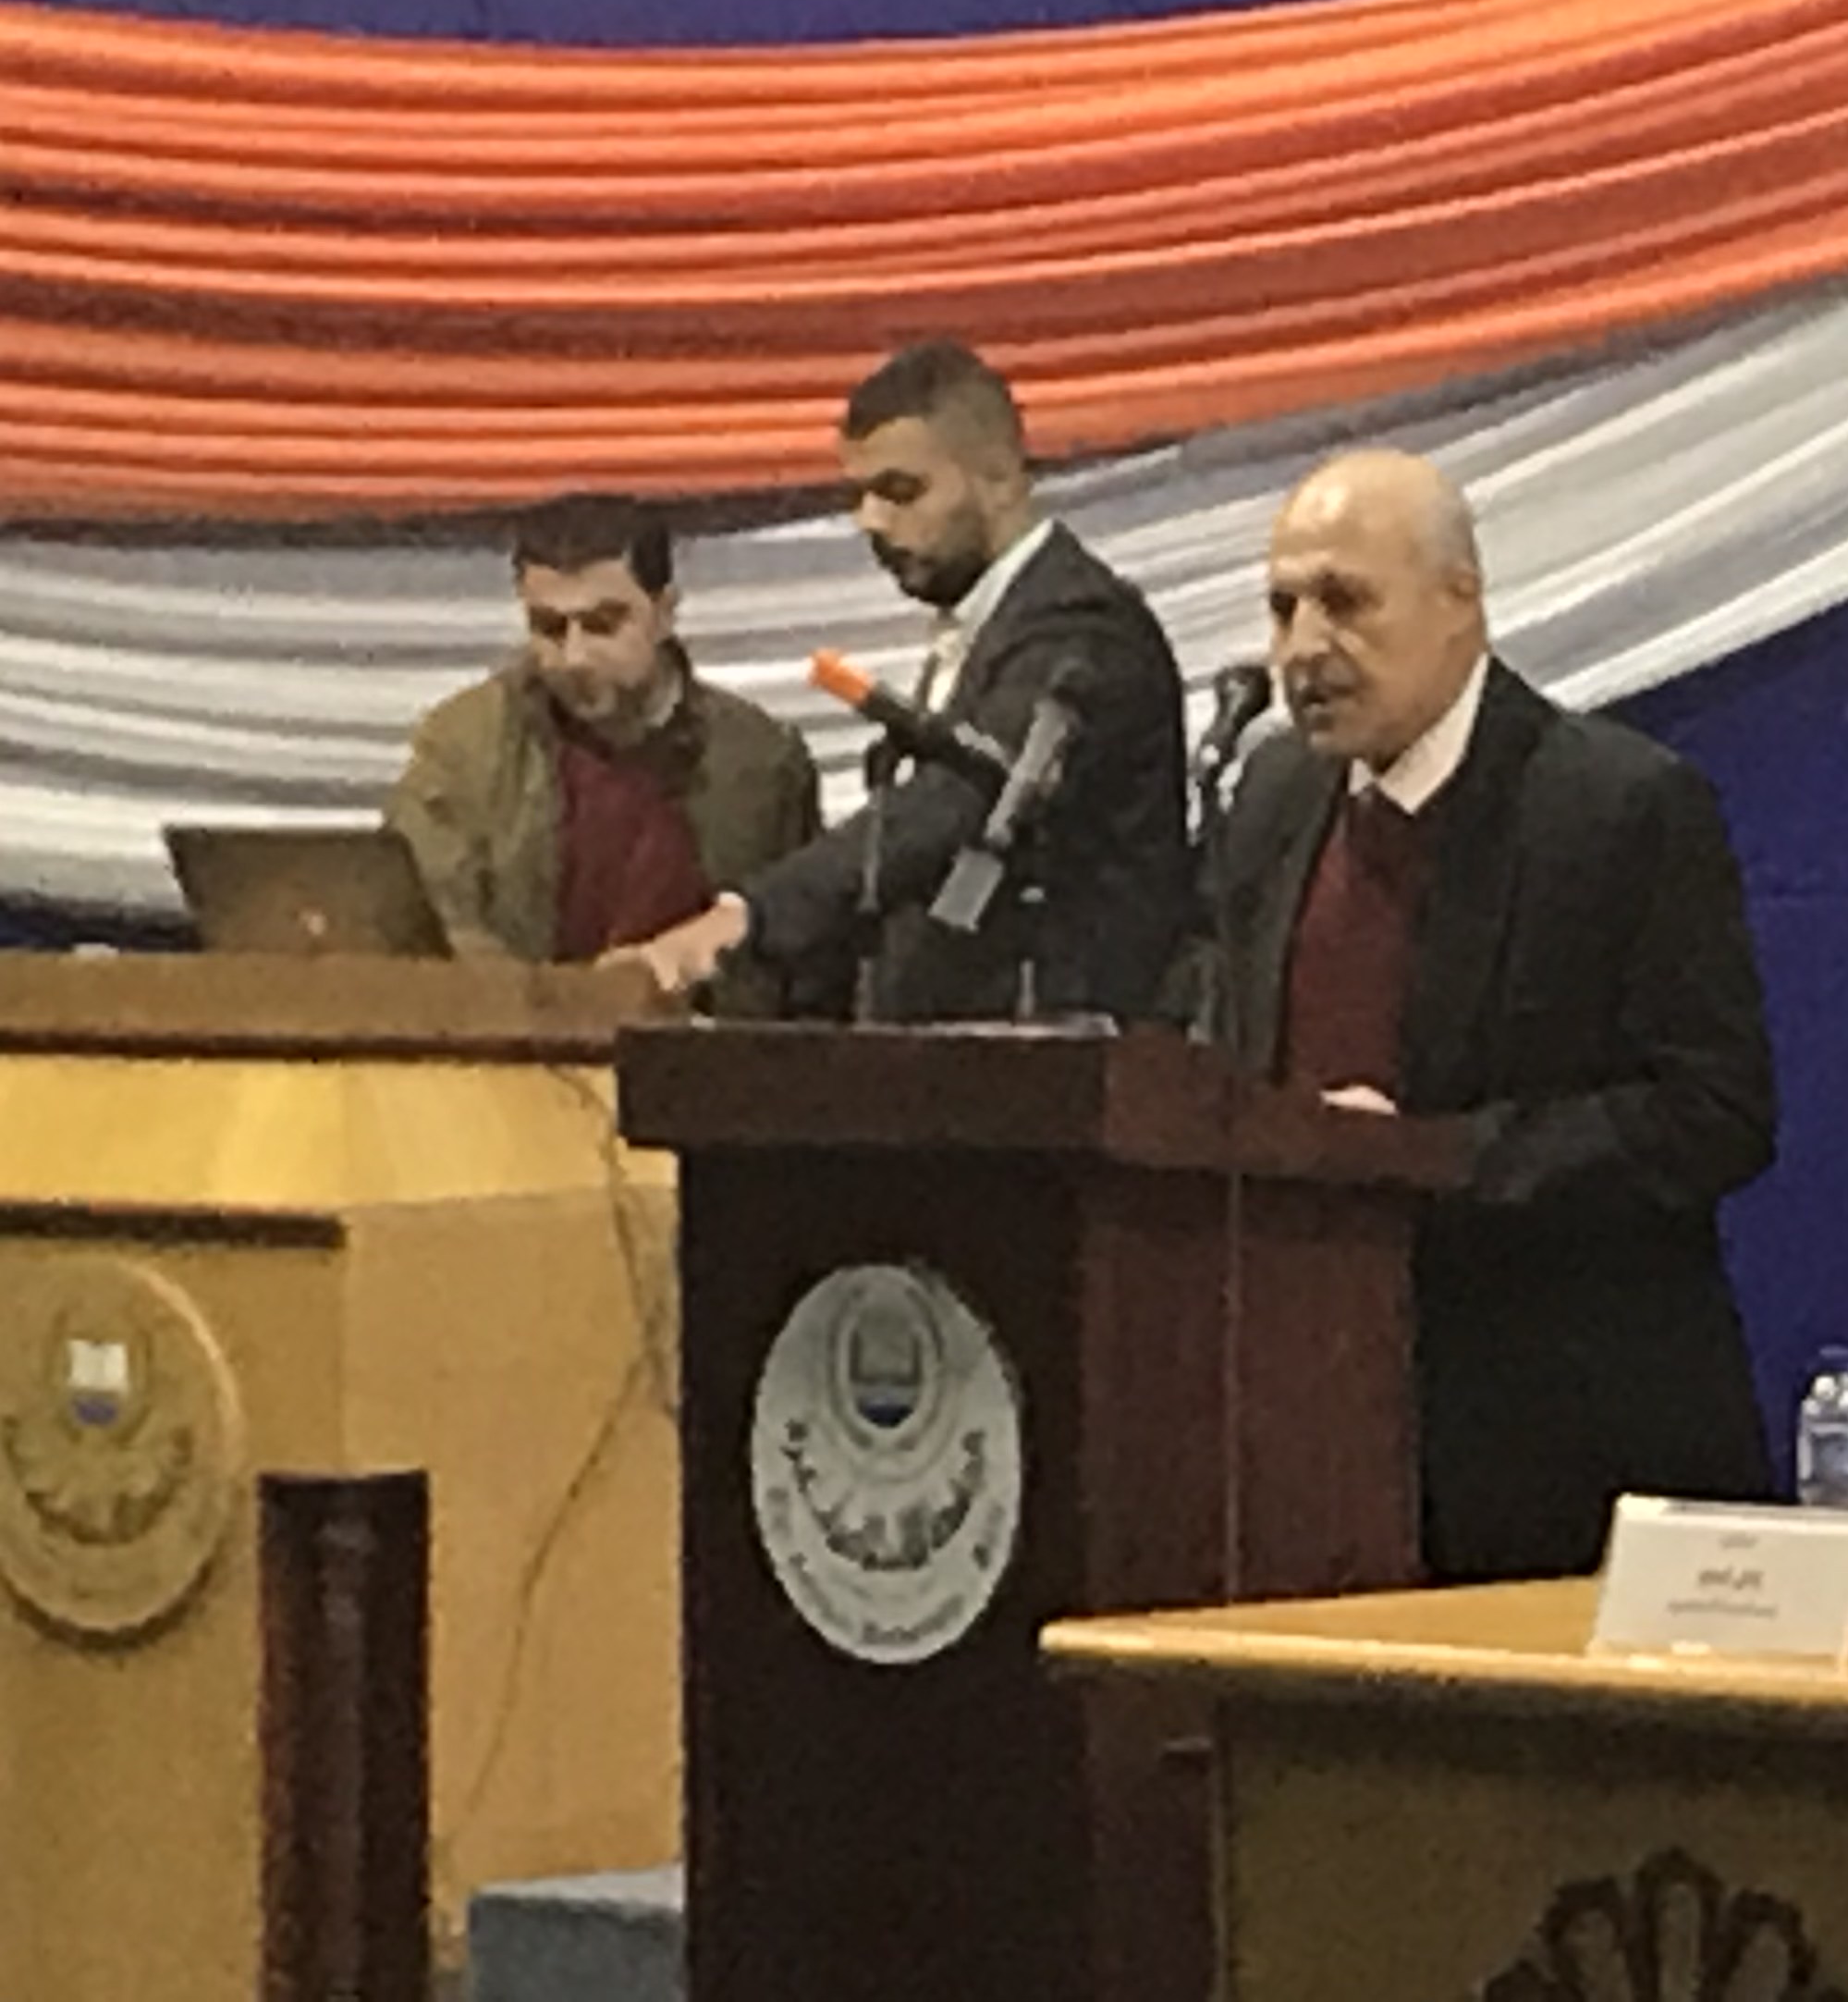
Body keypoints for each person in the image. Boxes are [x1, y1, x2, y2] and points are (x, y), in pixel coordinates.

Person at [1193, 447, 1778, 1581]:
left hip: (1553, 1448)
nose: (1303, 648)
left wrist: (1428, 1159)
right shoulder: (1268, 799)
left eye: (1345, 602)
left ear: (1460, 599)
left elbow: (1717, 1114)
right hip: (1305, 1433)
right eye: (1282, 608)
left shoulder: (1616, 807)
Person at [606, 342, 1191, 1024]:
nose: (872, 521)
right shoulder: (993, 622)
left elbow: (952, 806)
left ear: (1001, 478)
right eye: (858, 495)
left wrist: (745, 920)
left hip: (1067, 1051)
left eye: (901, 491)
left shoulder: (1082, 630)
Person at [388, 495, 822, 968]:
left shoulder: (762, 761)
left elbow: (799, 942)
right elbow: (425, 926)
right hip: (519, 1011)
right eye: (549, 627)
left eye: (602, 625)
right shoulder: (463, 746)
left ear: (664, 613)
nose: (574, 657)